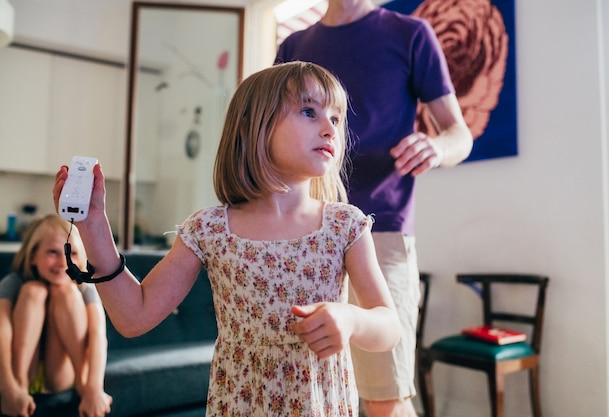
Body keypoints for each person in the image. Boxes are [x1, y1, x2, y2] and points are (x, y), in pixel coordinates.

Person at [52, 61, 402, 417]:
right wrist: (94, 227)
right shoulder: (210, 230)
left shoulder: (345, 225)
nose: (329, 127)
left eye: (336, 118)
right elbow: (133, 317)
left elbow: (389, 327)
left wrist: (350, 319)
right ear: (254, 127)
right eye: (309, 111)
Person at [275, 1, 473, 416]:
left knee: (385, 396)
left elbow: (459, 134)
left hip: (382, 233)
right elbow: (269, 135)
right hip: (301, 233)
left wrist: (436, 145)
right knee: (302, 390)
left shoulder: (410, 34)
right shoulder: (294, 46)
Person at [0, 214, 112, 417]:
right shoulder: (13, 282)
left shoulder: (86, 287)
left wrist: (94, 388)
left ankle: (82, 383)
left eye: (72, 253)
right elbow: (2, 330)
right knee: (33, 290)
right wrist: (8, 388)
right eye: (53, 252)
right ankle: (20, 384)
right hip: (23, 371)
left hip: (61, 374)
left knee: (66, 291)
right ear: (32, 256)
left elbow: (98, 335)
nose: (63, 262)